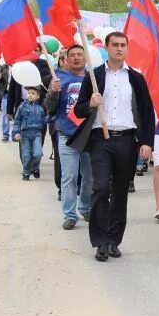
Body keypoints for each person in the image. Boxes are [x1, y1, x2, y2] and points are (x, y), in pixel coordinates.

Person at [68, 32, 155, 262]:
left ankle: (114, 240)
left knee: (120, 192)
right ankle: (100, 241)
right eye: (114, 45)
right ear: (106, 47)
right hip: (101, 139)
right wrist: (90, 104)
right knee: (99, 188)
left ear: (127, 48)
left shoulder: (135, 78)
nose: (119, 49)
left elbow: (146, 111)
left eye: (123, 45)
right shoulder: (95, 76)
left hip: (126, 139)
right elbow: (78, 110)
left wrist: (146, 142)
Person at [44, 45, 93, 230]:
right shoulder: (59, 78)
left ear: (85, 58)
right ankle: (70, 214)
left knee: (89, 176)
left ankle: (86, 207)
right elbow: (48, 106)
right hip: (66, 135)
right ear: (66, 59)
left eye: (80, 54)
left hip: (88, 135)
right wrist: (53, 92)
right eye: (72, 55)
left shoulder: (93, 79)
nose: (76, 58)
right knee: (69, 176)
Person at [12, 86, 46, 181]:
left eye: (33, 93)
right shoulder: (22, 107)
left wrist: (52, 117)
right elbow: (17, 120)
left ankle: (35, 168)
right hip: (25, 134)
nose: (30, 95)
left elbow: (44, 121)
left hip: (37, 134)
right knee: (26, 155)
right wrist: (16, 132)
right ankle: (26, 171)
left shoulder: (40, 109)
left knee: (38, 153)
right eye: (29, 93)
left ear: (38, 96)